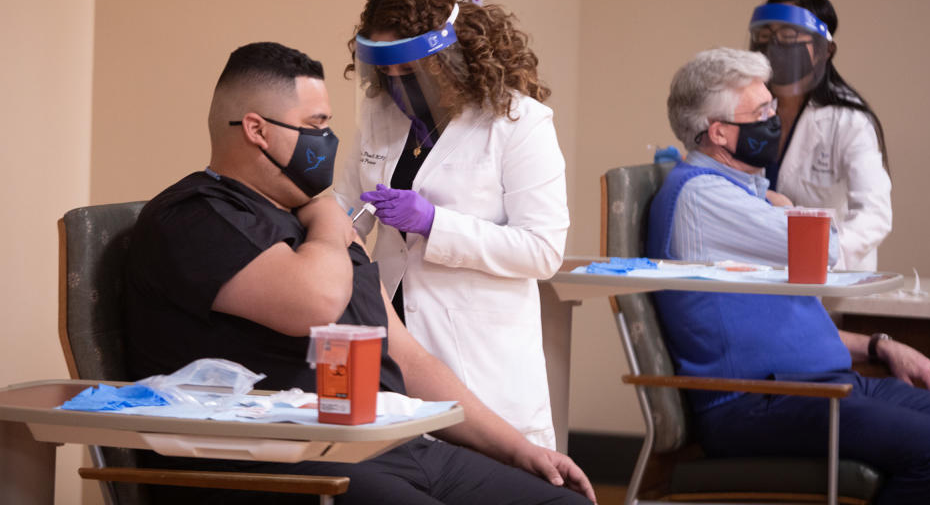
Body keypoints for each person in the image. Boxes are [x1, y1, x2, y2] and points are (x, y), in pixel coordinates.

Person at [123, 41, 595, 505]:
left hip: (389, 447)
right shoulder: (194, 218)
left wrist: (523, 449)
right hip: (282, 465)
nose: (327, 141)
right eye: (315, 125)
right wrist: (328, 215)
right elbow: (316, 302)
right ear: (256, 130)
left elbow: (409, 361)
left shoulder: (305, 225)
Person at [645, 47, 930, 505]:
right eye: (761, 112)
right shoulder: (701, 196)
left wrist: (877, 344)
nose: (775, 119)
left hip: (816, 386)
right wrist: (790, 208)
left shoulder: (746, 191)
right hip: (757, 403)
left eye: (771, 105)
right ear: (719, 133)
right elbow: (827, 248)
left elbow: (781, 316)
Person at [334, 0, 568, 448]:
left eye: (411, 73)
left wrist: (435, 224)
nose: (399, 87)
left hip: (479, 357)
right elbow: (343, 202)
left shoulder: (517, 123)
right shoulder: (379, 116)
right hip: (393, 338)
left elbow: (543, 251)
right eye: (388, 74)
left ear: (448, 58)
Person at [748, 0, 892, 270]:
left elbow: (874, 214)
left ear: (824, 50)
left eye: (789, 36)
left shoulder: (848, 121)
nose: (775, 47)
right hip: (760, 269)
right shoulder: (748, 110)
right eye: (766, 35)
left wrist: (824, 253)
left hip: (829, 280)